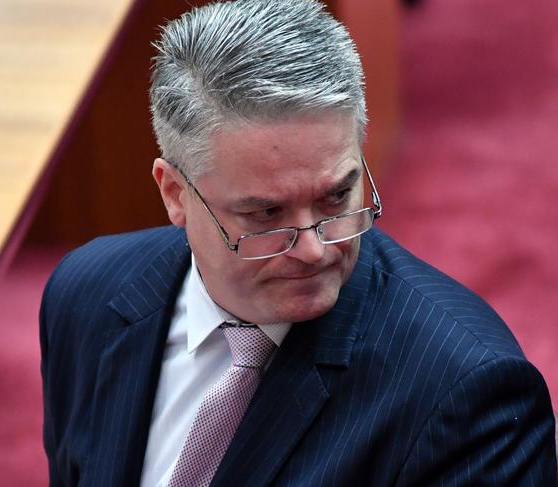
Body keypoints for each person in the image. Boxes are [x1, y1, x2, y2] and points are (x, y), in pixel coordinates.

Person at [39, 0, 557, 485]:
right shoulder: (86, 295)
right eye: (265, 213)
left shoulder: (465, 390)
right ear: (174, 193)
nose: (314, 249)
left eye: (337, 198)